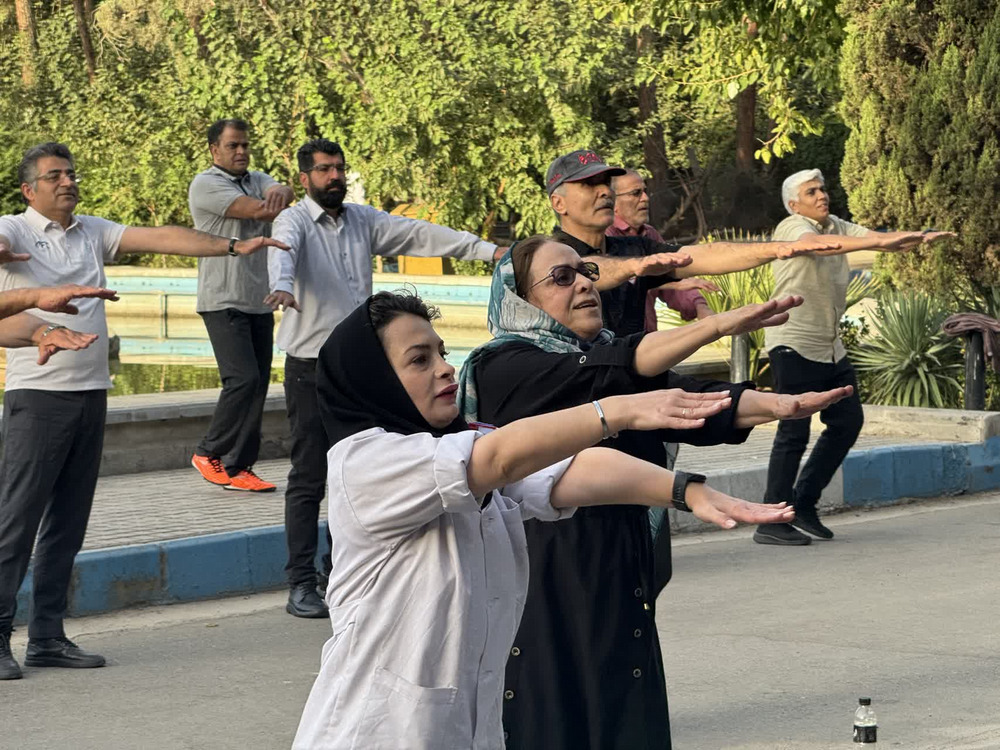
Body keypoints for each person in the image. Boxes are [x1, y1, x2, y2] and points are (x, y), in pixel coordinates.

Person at [291, 290, 795, 749]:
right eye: (420, 360)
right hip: (372, 735)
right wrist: (615, 411)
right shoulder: (366, 462)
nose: (445, 369)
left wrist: (686, 491)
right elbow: (501, 458)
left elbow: (569, 472)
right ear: (374, 380)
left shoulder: (464, 449)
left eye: (442, 353)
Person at [457, 236, 853, 750]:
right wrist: (715, 325)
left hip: (620, 565)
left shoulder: (599, 357)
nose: (584, 285)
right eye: (561, 278)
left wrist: (779, 406)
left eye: (586, 274)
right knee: (556, 716)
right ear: (519, 299)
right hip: (543, 576)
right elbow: (611, 374)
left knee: (625, 709)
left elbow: (687, 400)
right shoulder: (504, 367)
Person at [0, 141, 288, 681]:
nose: (67, 182)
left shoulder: (90, 230)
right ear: (28, 190)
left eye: (70, 173)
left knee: (68, 524)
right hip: (38, 398)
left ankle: (47, 637)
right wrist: (35, 306)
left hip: (91, 394)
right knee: (16, 523)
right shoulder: (13, 230)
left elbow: (162, 237)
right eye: (54, 175)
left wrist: (231, 247)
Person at [266, 138, 504, 619]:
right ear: (305, 178)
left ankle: (337, 573)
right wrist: (281, 287)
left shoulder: (363, 221)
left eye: (339, 168)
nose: (334, 176)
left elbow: (419, 234)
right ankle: (300, 582)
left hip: (368, 374)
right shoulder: (292, 221)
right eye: (324, 169)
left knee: (372, 470)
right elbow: (282, 255)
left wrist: (488, 250)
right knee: (311, 473)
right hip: (311, 367)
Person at [755, 169, 954, 545]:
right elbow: (819, 246)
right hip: (794, 343)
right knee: (793, 432)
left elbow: (873, 238)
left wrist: (917, 237)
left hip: (830, 348)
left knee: (847, 422)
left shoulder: (834, 224)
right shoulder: (793, 227)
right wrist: (878, 242)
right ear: (794, 204)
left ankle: (804, 503)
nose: (821, 195)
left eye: (822, 189)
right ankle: (771, 519)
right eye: (811, 192)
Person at [544, 149, 842, 337]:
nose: (603, 192)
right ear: (558, 203)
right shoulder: (542, 255)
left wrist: (778, 249)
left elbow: (703, 255)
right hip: (580, 404)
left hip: (635, 383)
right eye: (588, 184)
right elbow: (586, 270)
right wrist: (635, 267)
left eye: (605, 183)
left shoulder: (639, 245)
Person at [189, 118, 295, 492]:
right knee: (242, 379)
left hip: (258, 300)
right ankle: (208, 452)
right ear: (214, 149)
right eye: (233, 145)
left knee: (259, 384)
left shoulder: (256, 178)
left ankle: (239, 468)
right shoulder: (206, 184)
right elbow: (259, 211)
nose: (241, 151)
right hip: (223, 299)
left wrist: (283, 189)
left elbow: (281, 191)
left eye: (245, 145)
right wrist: (278, 198)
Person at [607, 168, 716, 332]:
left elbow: (673, 274)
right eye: (636, 193)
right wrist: (667, 284)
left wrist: (700, 307)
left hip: (647, 340)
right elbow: (615, 285)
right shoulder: (604, 235)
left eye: (645, 191)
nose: (645, 198)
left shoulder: (649, 234)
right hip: (613, 341)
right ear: (613, 202)